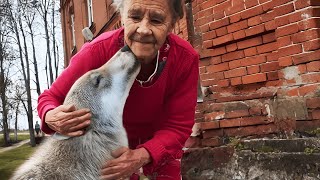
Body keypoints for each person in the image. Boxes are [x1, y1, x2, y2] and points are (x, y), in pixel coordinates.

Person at [37, 0, 199, 179]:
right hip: (110, 151)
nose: (143, 29)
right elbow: (51, 97)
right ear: (122, 16)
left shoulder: (185, 59)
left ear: (172, 24)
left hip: (159, 146)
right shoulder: (97, 51)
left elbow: (178, 126)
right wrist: (51, 116)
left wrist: (142, 155)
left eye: (156, 20)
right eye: (135, 17)